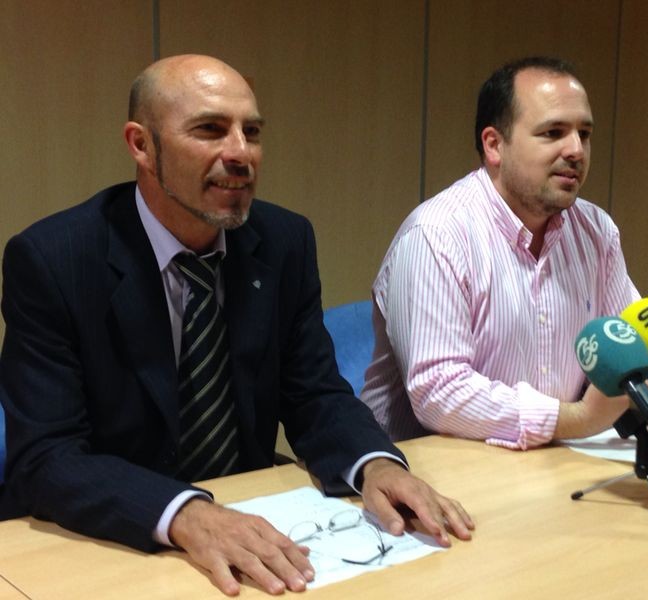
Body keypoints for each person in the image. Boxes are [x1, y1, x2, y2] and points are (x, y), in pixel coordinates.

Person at [0, 54, 473, 596]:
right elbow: (47, 456)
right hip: (113, 540)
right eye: (209, 130)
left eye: (252, 132)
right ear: (141, 145)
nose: (241, 153)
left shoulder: (284, 241)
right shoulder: (55, 260)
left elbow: (313, 394)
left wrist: (376, 465)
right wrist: (184, 513)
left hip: (252, 522)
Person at [362, 56, 648, 447]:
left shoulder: (596, 231)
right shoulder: (436, 234)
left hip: (553, 458)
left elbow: (630, 344)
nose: (576, 150)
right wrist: (577, 419)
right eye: (553, 132)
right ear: (494, 145)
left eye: (584, 134)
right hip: (425, 466)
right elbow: (439, 393)